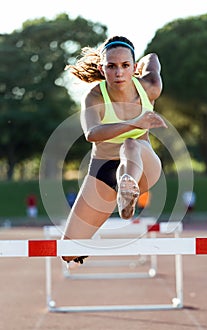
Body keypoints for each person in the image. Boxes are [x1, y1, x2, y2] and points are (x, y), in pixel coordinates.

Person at [62, 35, 167, 264]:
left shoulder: (150, 87)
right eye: (111, 66)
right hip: (103, 169)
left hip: (143, 166)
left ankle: (128, 185)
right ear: (102, 68)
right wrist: (134, 123)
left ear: (133, 67)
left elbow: (153, 57)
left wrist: (145, 61)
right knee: (67, 251)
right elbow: (92, 134)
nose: (119, 73)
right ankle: (123, 191)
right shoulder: (94, 97)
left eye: (125, 66)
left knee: (130, 144)